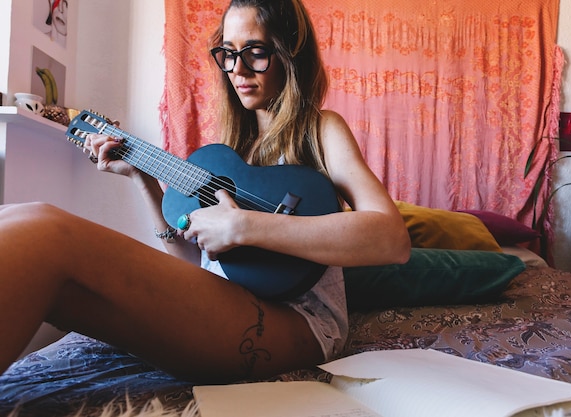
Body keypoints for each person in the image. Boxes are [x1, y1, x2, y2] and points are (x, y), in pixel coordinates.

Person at [0, 0, 410, 384]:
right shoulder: (230, 153)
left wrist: (245, 226)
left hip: (299, 321)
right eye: (228, 53)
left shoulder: (321, 131)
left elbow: (391, 240)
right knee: (17, 218)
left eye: (255, 51)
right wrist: (140, 177)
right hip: (226, 300)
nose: (238, 69)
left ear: (290, 53)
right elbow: (197, 265)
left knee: (46, 231)